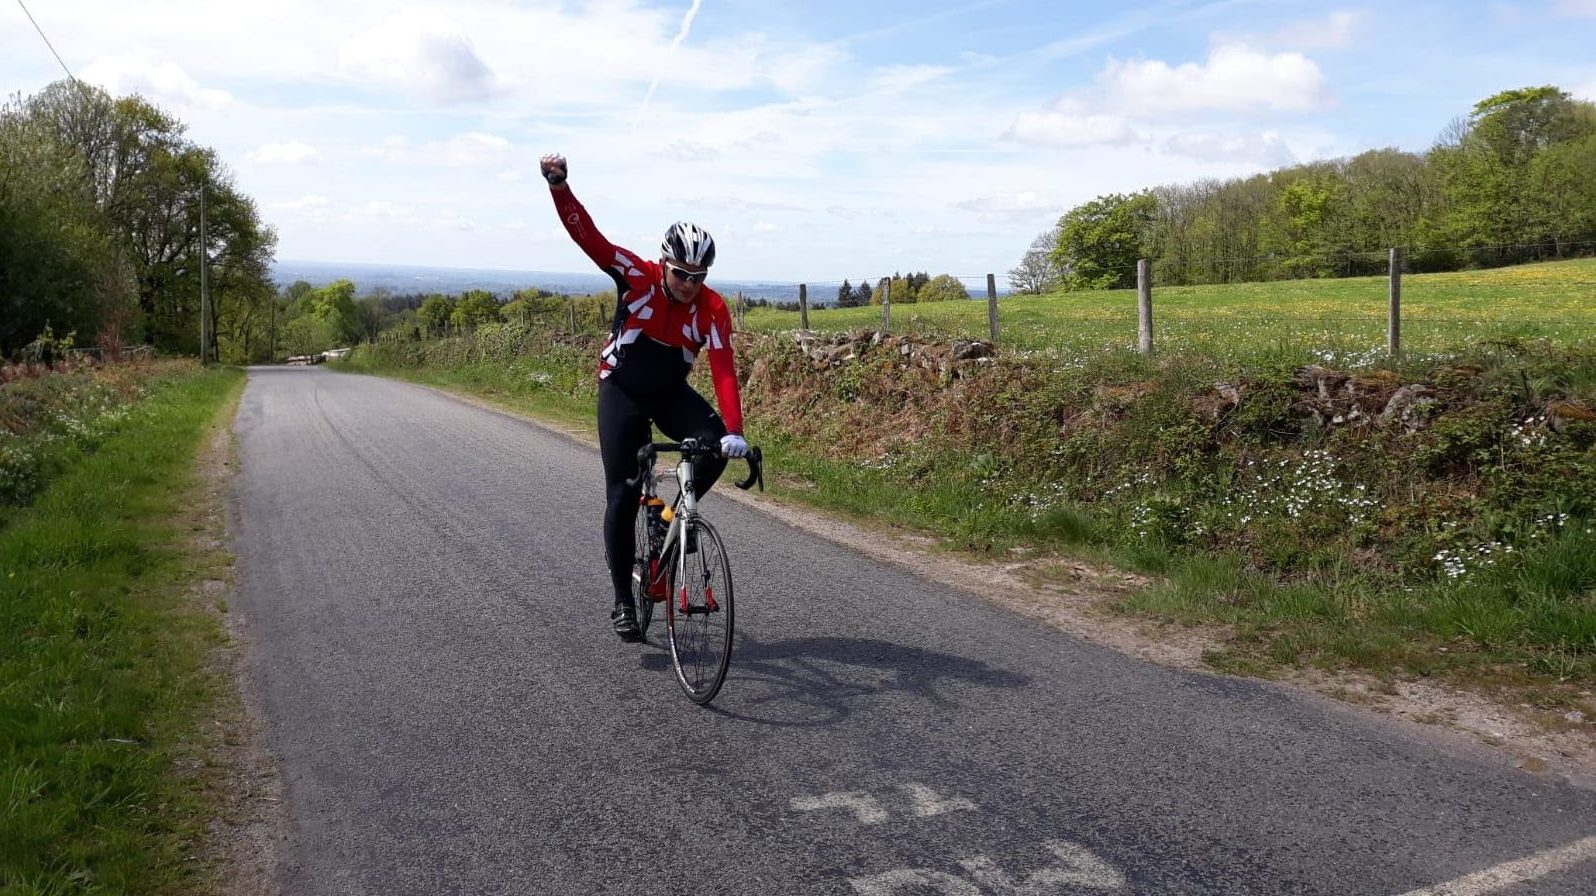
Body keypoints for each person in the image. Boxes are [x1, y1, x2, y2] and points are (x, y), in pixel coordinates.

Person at [540, 153, 749, 642]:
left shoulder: (712, 308)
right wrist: (559, 188)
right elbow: (588, 238)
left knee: (715, 443)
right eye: (681, 274)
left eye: (699, 277)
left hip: (669, 392)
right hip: (622, 391)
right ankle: (621, 600)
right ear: (665, 264)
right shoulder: (635, 276)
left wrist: (735, 430)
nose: (689, 285)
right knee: (622, 492)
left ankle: (670, 519)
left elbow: (723, 371)